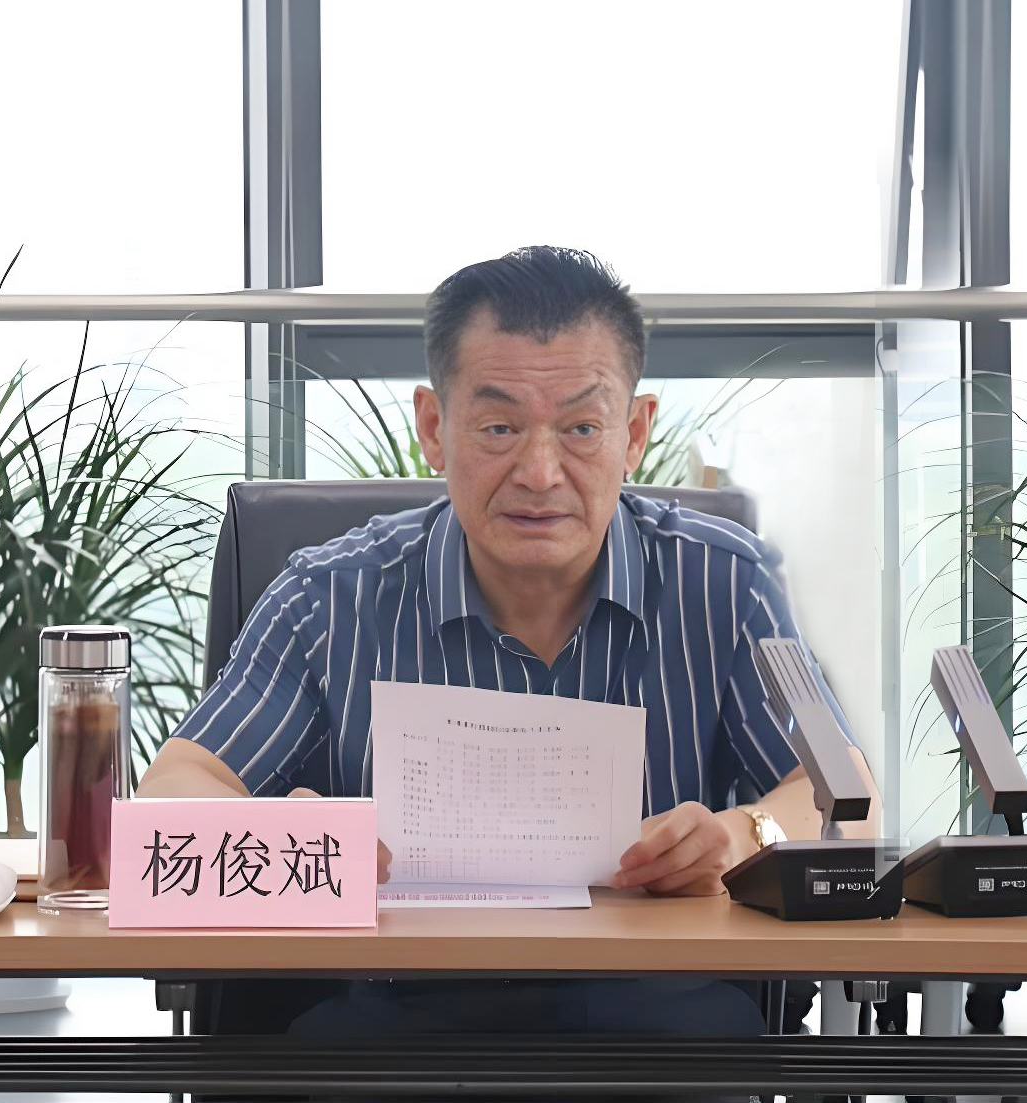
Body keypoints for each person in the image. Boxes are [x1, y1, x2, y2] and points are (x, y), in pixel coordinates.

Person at [138, 245, 878, 1034]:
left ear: (633, 433)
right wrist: (291, 840)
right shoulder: (328, 598)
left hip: (659, 1016)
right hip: (392, 1016)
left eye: (581, 427)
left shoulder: (723, 583)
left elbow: (846, 800)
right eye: (499, 426)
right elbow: (174, 789)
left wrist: (738, 837)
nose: (539, 471)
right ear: (434, 427)